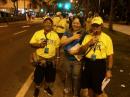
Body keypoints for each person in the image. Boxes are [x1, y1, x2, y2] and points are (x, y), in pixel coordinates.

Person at [79, 17, 114, 97]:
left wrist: (109, 70)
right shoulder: (87, 37)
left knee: (98, 89)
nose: (95, 28)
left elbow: (110, 56)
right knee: (86, 88)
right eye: (94, 26)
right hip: (87, 63)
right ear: (91, 26)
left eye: (97, 26)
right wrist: (89, 43)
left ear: (101, 26)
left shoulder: (107, 38)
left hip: (99, 65)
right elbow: (81, 51)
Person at [29, 17, 60, 97]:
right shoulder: (37, 33)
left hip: (51, 60)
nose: (48, 24)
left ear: (52, 25)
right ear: (43, 24)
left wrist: (58, 58)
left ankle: (46, 88)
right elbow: (31, 43)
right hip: (40, 59)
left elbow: (57, 47)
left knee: (49, 77)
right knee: (38, 77)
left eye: (50, 23)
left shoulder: (55, 35)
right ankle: (37, 88)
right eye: (46, 22)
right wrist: (39, 45)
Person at [61, 16, 86, 97]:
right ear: (71, 23)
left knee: (76, 76)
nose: (76, 24)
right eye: (74, 23)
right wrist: (72, 37)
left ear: (81, 24)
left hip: (77, 59)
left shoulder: (84, 33)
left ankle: (75, 92)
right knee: (68, 73)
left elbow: (86, 46)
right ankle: (68, 87)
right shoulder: (68, 32)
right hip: (67, 58)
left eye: (78, 23)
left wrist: (76, 51)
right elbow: (62, 43)